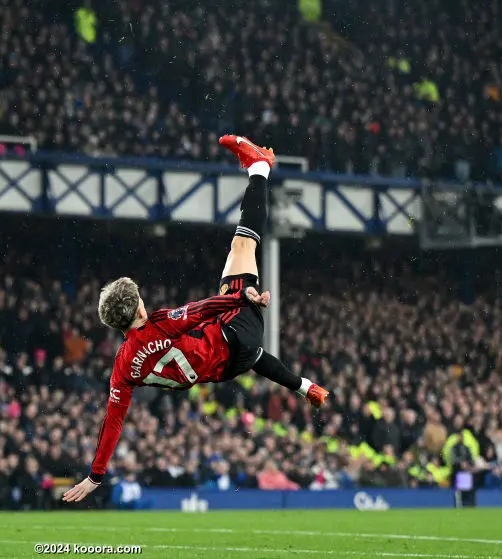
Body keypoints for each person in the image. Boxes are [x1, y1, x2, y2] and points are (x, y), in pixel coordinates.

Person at [63, 135, 330, 504]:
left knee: (247, 345)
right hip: (236, 325)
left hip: (229, 364)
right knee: (243, 245)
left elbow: (113, 422)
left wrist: (96, 475)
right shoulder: (160, 323)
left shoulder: (124, 368)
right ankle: (259, 167)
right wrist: (242, 296)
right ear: (139, 309)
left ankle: (304, 386)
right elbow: (202, 309)